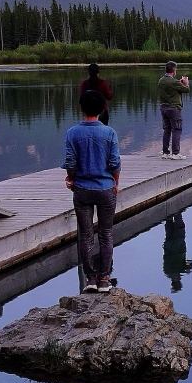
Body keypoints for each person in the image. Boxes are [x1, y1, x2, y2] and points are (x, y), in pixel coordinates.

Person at [63, 90, 121, 293]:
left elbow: (71, 162)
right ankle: (105, 279)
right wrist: (115, 184)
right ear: (103, 108)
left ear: (81, 108)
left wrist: (71, 179)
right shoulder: (109, 132)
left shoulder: (72, 133)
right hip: (105, 189)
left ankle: (90, 279)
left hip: (82, 190)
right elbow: (115, 164)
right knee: (106, 235)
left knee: (86, 236)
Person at [157, 61, 190, 160]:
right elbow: (186, 90)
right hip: (174, 109)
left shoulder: (161, 80)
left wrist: (179, 82)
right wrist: (185, 83)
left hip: (163, 108)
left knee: (167, 130)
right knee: (176, 130)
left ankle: (165, 152)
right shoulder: (174, 82)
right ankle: (175, 153)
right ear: (174, 70)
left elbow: (172, 85)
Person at [162, 213, 192, 292]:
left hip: (178, 244)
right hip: (168, 245)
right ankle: (168, 210)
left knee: (179, 223)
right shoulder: (167, 272)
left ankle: (177, 208)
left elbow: (191, 263)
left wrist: (187, 269)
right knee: (169, 222)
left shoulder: (180, 270)